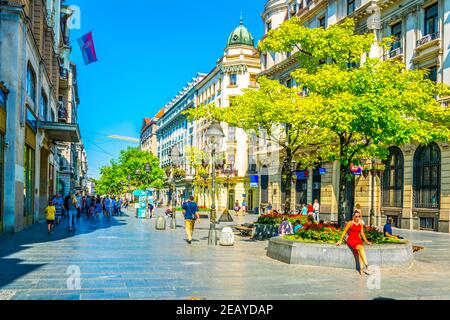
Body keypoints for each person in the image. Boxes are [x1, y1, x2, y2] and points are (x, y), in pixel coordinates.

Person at [336, 210, 373, 275]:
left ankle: (361, 270)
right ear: (353, 217)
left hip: (358, 239)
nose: (357, 218)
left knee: (360, 252)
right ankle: (367, 264)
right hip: (351, 240)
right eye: (356, 216)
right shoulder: (350, 223)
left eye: (359, 216)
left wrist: (367, 241)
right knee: (361, 248)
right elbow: (344, 232)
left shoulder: (361, 224)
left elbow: (362, 233)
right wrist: (340, 240)